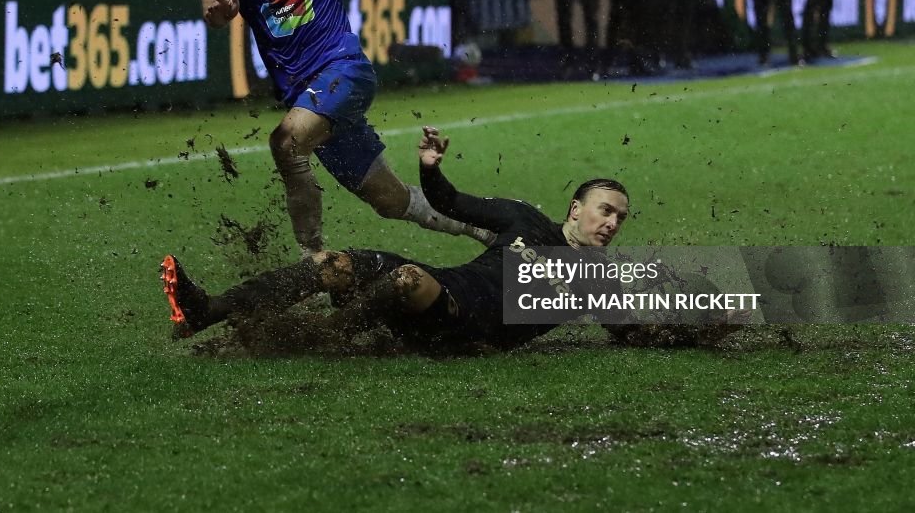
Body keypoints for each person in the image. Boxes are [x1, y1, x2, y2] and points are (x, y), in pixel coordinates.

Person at [159, 127, 743, 352]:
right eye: (605, 211)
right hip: (448, 285)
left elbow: (638, 324)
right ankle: (205, 312)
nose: (612, 224)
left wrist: (709, 318)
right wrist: (431, 168)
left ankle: (321, 340)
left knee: (406, 281)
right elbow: (448, 203)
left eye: (621, 219)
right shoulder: (521, 218)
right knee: (336, 264)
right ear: (576, 208)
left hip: (470, 325)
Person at [201, 0, 492, 257]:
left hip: (344, 70)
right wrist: (218, 9)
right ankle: (486, 229)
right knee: (391, 201)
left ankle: (313, 259)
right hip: (308, 98)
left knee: (285, 144)